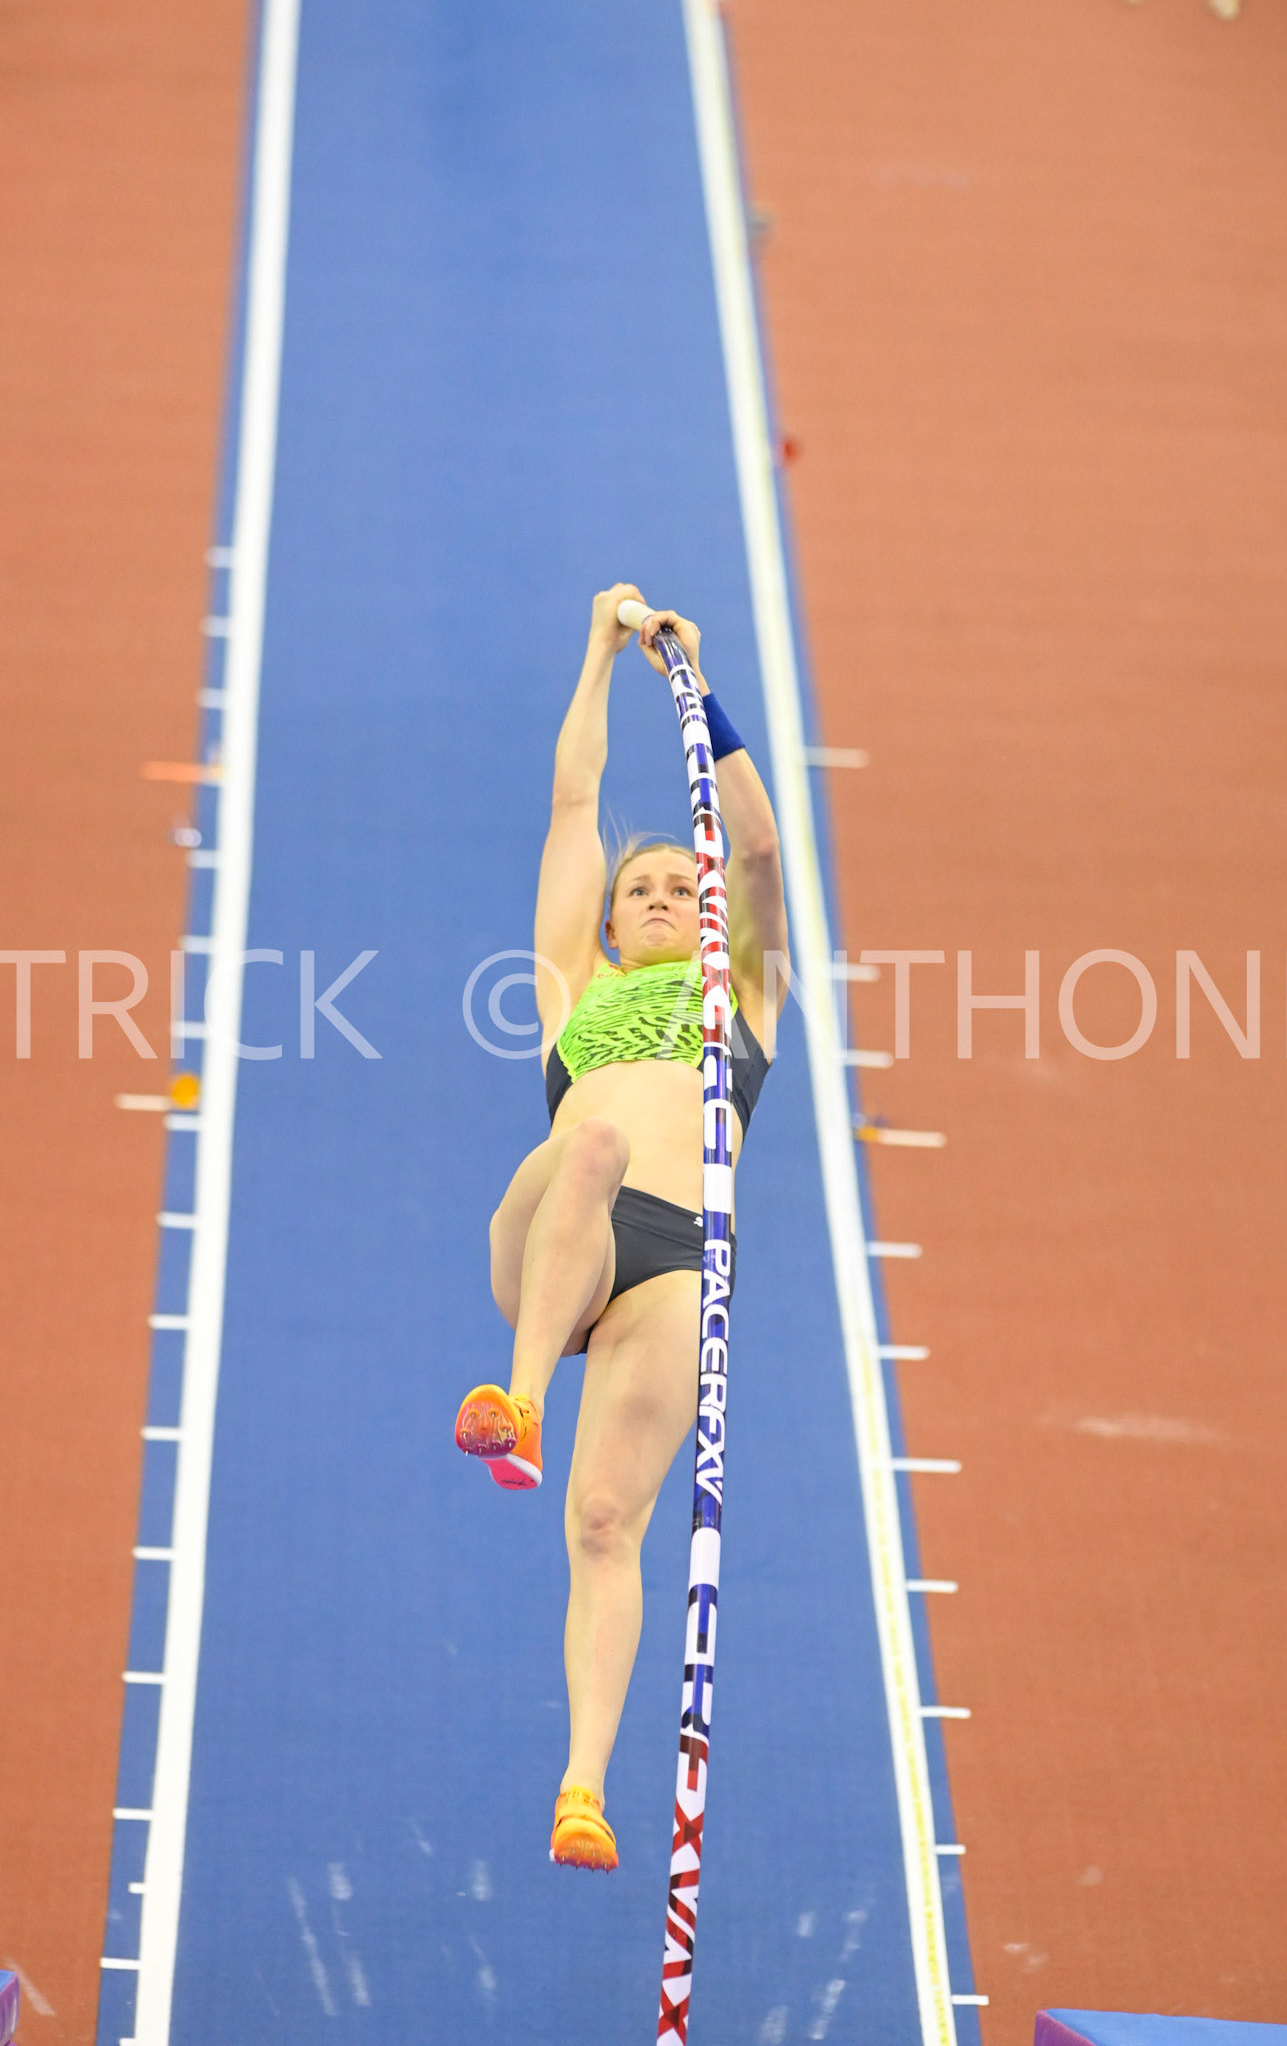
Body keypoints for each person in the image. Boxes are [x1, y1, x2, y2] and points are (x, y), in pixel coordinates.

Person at [454, 584, 788, 1872]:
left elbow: (755, 852)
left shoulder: (744, 993)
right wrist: (600, 656)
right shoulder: (571, 988)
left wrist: (699, 695)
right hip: (550, 1234)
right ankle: (522, 1396)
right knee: (587, 1140)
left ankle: (582, 1788)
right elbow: (572, 806)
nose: (658, 892)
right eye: (640, 886)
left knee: (606, 1522)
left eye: (675, 884)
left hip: (679, 1266)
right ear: (606, 920)